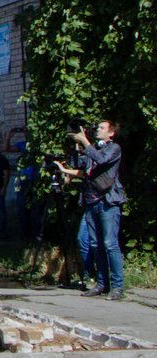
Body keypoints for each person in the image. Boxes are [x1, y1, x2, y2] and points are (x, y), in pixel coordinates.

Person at [58, 118, 126, 300]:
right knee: (95, 244)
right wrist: (77, 144)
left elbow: (102, 160)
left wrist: (85, 142)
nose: (98, 130)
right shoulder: (93, 148)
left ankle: (117, 286)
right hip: (91, 202)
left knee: (110, 244)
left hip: (108, 202)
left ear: (111, 132)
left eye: (102, 128)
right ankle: (102, 283)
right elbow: (81, 164)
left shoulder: (114, 148)